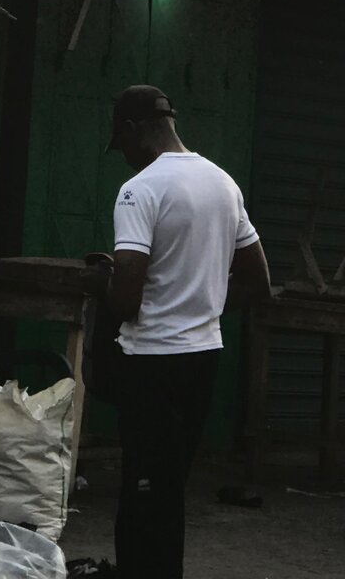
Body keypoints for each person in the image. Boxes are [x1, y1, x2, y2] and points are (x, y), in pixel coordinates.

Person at [104, 85, 270, 579]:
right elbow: (259, 282)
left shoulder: (141, 189)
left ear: (134, 130)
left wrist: (101, 284)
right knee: (169, 485)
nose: (126, 159)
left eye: (123, 145)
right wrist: (199, 304)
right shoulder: (224, 183)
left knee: (143, 488)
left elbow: (128, 297)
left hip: (152, 360)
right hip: (203, 357)